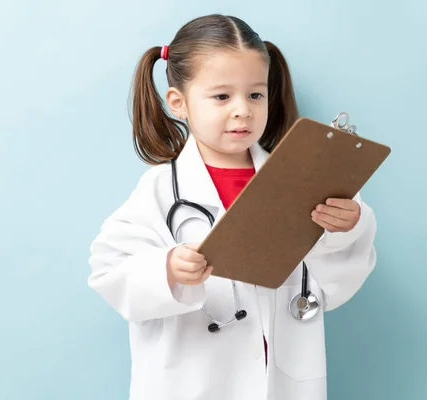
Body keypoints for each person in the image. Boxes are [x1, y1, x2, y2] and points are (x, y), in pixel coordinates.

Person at [87, 13, 377, 400]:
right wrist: (168, 268)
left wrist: (348, 226)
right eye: (222, 96)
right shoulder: (160, 190)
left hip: (282, 379)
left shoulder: (297, 175)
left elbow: (338, 278)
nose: (243, 110)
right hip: (194, 380)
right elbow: (110, 270)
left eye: (256, 94)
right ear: (179, 103)